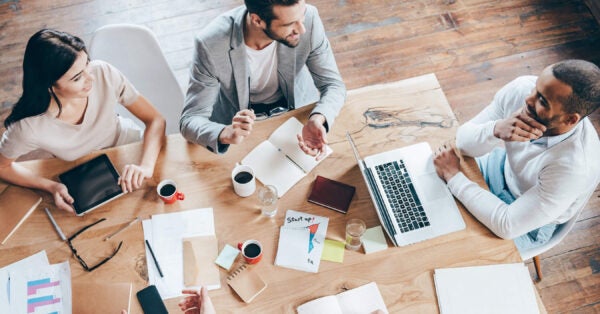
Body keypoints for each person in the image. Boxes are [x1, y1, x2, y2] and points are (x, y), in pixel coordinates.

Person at [433, 59, 600, 251]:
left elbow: (507, 225)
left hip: (526, 223)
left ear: (570, 119)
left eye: (542, 101)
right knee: (427, 195)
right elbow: (462, 144)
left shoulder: (575, 167)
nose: (528, 100)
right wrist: (495, 129)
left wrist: (453, 178)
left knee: (451, 250)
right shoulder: (522, 89)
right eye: (536, 89)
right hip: (500, 169)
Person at [0, 29, 166, 213]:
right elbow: (2, 167)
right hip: (85, 173)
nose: (91, 78)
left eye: (87, 64)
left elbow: (155, 119)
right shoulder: (28, 127)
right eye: (77, 77)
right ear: (50, 87)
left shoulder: (103, 72)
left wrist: (146, 166)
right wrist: (50, 186)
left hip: (130, 148)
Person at [180, 0, 346, 159]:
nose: (301, 29)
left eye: (301, 17)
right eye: (289, 24)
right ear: (257, 20)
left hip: (297, 111)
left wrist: (318, 118)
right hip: (241, 125)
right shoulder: (211, 43)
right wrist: (225, 133)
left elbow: (333, 84)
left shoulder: (309, 19)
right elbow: (190, 120)